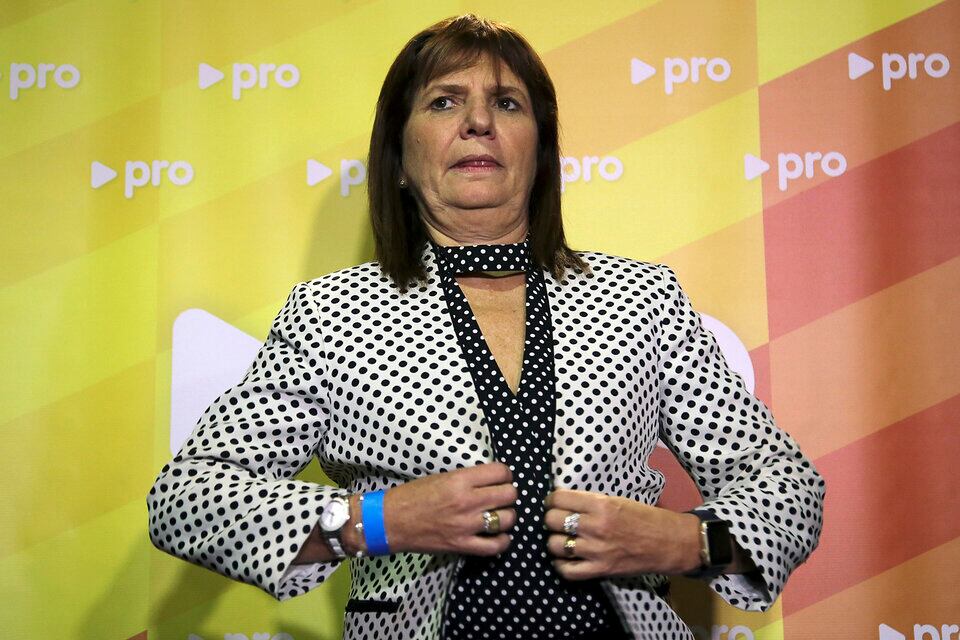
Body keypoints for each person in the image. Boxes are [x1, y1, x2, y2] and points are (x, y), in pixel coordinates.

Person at [147, 14, 825, 640]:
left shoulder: (641, 299)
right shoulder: (331, 314)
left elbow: (788, 487)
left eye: (506, 103)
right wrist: (375, 522)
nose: (478, 122)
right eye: (444, 102)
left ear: (541, 150)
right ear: (399, 158)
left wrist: (685, 542)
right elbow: (186, 499)